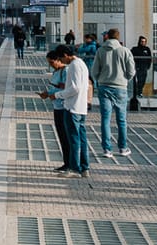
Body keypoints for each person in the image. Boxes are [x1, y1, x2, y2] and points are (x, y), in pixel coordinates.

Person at [43, 45, 91, 177]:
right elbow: (85, 86)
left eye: (61, 58)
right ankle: (84, 167)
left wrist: (57, 95)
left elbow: (74, 88)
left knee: (73, 139)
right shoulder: (82, 64)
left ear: (65, 55)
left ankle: (74, 168)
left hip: (72, 107)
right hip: (81, 107)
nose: (62, 62)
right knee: (81, 139)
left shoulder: (74, 66)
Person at [91, 28, 133, 157]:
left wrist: (99, 80)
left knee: (105, 119)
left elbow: (94, 70)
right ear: (118, 38)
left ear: (107, 36)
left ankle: (107, 149)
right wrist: (124, 79)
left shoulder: (101, 50)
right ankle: (122, 147)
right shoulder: (125, 51)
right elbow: (131, 71)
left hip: (104, 87)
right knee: (121, 120)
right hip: (120, 87)